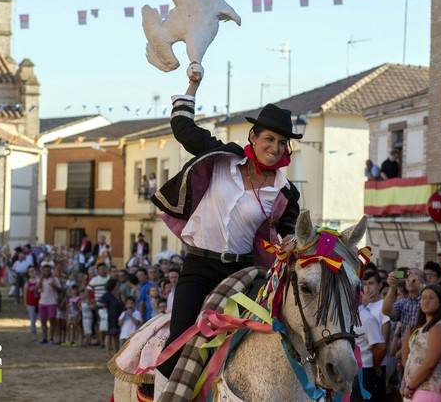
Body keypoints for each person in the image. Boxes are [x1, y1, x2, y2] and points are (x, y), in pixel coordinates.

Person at [152, 71, 301, 378]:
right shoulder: (223, 159)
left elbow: (292, 233)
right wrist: (192, 85)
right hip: (199, 267)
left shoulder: (285, 191)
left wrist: (291, 243)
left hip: (243, 274)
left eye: (282, 142)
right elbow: (183, 129)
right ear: (253, 138)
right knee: (177, 349)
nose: (275, 147)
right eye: (269, 139)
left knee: (249, 350)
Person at [401, 285, 441, 402]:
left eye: (431, 298)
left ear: (440, 302)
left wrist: (410, 385)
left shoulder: (440, 327)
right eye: (423, 298)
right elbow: (409, 358)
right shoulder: (421, 327)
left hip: (429, 388)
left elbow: (430, 363)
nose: (426, 301)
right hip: (415, 388)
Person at [361, 270, 391, 393]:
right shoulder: (363, 307)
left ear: (379, 285)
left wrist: (376, 365)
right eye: (365, 284)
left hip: (376, 365)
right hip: (360, 365)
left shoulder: (383, 306)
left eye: (371, 283)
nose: (367, 288)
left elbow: (384, 340)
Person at [351, 301, 386, 402]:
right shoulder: (345, 315)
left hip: (366, 373)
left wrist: (376, 367)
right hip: (351, 373)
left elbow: (380, 347)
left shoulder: (365, 317)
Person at [383, 268, 425, 337]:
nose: (410, 279)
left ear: (423, 282)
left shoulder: (426, 301)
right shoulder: (403, 303)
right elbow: (386, 311)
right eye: (408, 276)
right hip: (405, 346)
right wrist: (392, 287)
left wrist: (422, 287)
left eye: (416, 275)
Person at [37, 262, 62, 344]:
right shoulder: (40, 279)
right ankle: (44, 338)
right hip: (42, 302)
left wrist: (53, 285)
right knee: (43, 321)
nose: (46, 272)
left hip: (52, 302)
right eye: (45, 270)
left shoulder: (55, 279)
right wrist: (41, 279)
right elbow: (37, 290)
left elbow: (60, 290)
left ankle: (51, 338)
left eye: (48, 270)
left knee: (52, 320)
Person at [99, 279, 124, 358]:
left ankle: (116, 351)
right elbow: (101, 304)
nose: (118, 285)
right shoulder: (107, 294)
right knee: (109, 334)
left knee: (115, 335)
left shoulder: (118, 294)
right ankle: (108, 352)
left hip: (117, 317)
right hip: (110, 317)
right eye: (117, 284)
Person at [88, 263, 110, 348]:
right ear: (98, 270)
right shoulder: (94, 280)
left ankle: (106, 342)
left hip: (108, 305)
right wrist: (91, 302)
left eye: (104, 268)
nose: (102, 270)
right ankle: (101, 342)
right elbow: (89, 291)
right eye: (100, 269)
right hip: (98, 305)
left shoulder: (109, 279)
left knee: (107, 324)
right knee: (98, 324)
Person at [25, 266, 40, 339]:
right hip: (30, 303)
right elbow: (25, 294)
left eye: (33, 271)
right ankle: (33, 334)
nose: (32, 273)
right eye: (30, 271)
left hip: (38, 302)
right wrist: (26, 304)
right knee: (32, 319)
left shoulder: (39, 281)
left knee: (38, 318)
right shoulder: (27, 283)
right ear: (28, 273)